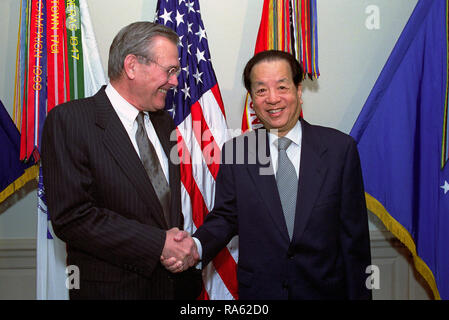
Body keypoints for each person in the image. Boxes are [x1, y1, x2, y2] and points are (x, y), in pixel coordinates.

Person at [164, 50, 372, 300]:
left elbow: (354, 243)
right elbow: (225, 217)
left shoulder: (340, 150)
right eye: (261, 90)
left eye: (282, 87)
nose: (272, 99)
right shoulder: (237, 152)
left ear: (298, 91)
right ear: (252, 100)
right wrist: (195, 247)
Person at [41, 21, 201, 300]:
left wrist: (178, 246)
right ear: (132, 66)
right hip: (112, 290)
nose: (175, 81)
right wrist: (158, 245)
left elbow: (162, 205)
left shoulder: (164, 123)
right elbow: (72, 217)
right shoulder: (71, 121)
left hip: (173, 288)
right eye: (170, 70)